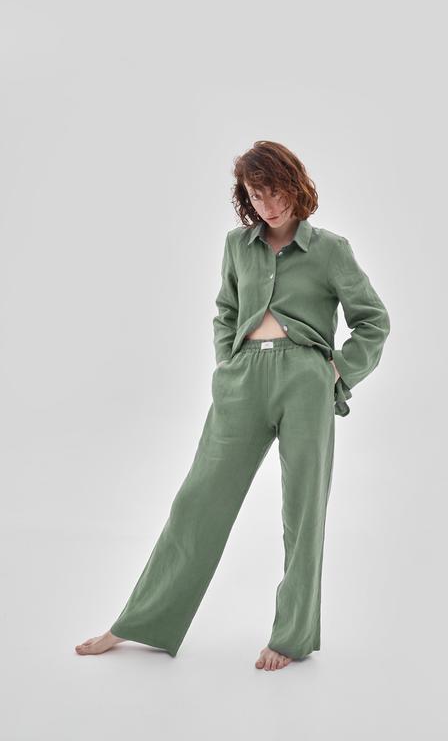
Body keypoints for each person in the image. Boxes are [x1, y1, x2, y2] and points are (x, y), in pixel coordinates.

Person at [75, 140, 391, 671]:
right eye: (256, 194)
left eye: (277, 191)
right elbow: (226, 310)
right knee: (197, 501)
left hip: (305, 380)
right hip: (242, 380)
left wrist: (335, 371)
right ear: (246, 196)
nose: (269, 204)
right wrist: (228, 363)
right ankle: (141, 621)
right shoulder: (236, 245)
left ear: (296, 186)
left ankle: (291, 637)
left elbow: (373, 320)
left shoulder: (330, 249)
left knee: (303, 511)